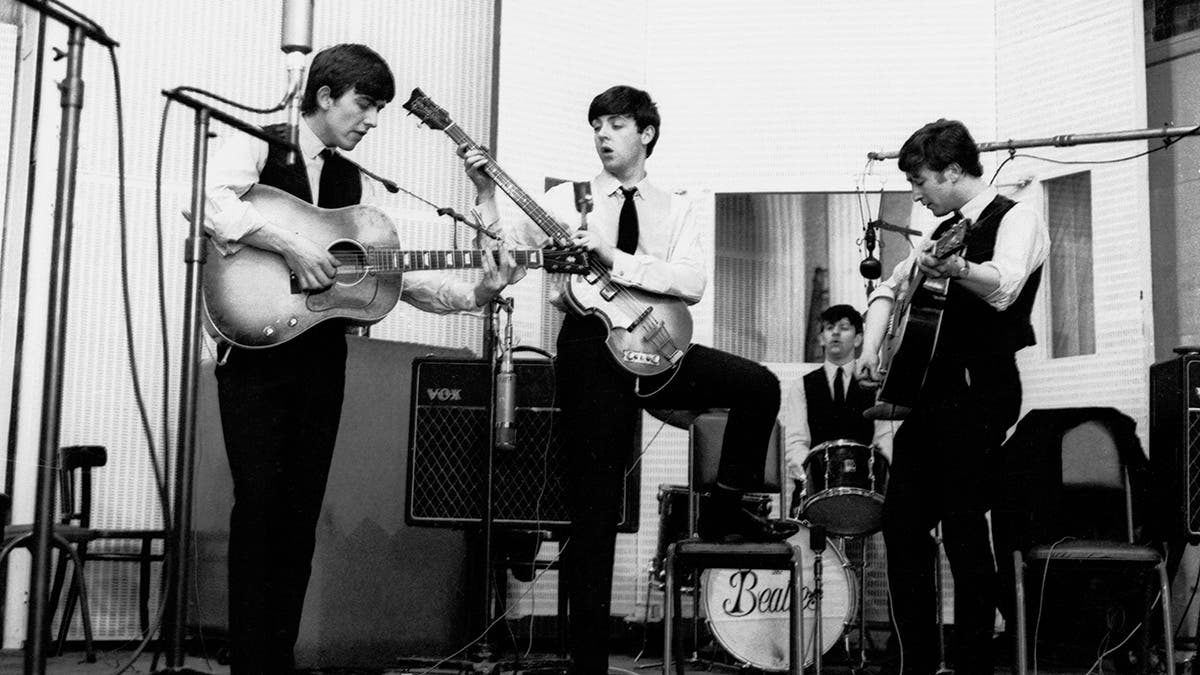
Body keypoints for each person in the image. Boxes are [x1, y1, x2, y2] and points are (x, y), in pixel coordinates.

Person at [203, 43, 524, 674]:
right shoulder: (260, 141)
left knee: (299, 516)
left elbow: (394, 280)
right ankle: (249, 662)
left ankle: (278, 659)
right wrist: (290, 245)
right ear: (324, 95)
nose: (373, 120)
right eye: (365, 105)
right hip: (255, 356)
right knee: (260, 504)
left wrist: (480, 291)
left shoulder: (352, 184)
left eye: (378, 108)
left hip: (322, 362)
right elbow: (213, 202)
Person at [461, 84, 798, 674]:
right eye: (595, 124)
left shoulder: (680, 203)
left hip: (659, 340)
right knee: (595, 509)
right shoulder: (566, 200)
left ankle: (722, 508)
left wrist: (616, 258)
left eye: (615, 124)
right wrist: (486, 191)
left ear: (645, 133)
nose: (602, 134)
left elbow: (691, 283)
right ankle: (588, 663)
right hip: (591, 350)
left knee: (759, 386)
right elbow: (503, 253)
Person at [855, 119, 1048, 675]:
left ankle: (969, 664)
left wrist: (958, 266)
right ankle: (916, 662)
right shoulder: (941, 228)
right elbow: (889, 290)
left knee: (965, 530)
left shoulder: (1018, 218)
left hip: (980, 390)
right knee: (903, 524)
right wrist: (872, 346)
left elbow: (1006, 285)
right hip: (932, 396)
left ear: (954, 171)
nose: (916, 193)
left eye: (921, 180)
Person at [781, 303, 893, 518]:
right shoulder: (801, 386)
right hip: (813, 493)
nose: (835, 332)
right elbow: (795, 442)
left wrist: (877, 474)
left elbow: (884, 440)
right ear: (822, 338)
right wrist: (813, 477)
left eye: (844, 327)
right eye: (829, 327)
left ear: (859, 338)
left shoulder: (875, 386)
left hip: (865, 494)